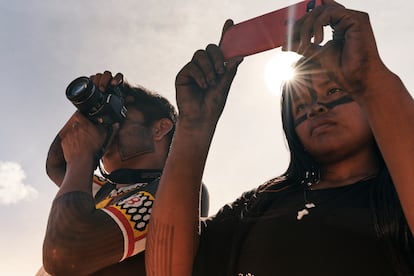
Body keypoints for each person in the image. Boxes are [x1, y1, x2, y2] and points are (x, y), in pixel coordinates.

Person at [145, 0, 414, 275]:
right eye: (300, 105)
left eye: (333, 91)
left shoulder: (396, 197)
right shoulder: (264, 202)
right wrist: (194, 125)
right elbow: (166, 270)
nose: (316, 108)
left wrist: (370, 75)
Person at [41, 71, 209, 275]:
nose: (108, 123)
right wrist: (87, 112)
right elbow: (56, 165)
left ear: (160, 128)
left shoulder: (174, 190)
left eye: (121, 112)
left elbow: (66, 255)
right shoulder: (106, 190)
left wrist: (81, 157)